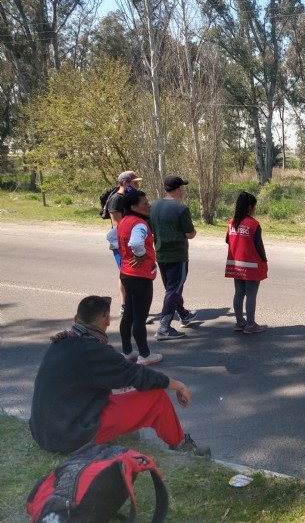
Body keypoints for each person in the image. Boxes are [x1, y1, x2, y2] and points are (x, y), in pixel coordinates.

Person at [29, 295, 209, 456]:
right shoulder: (94, 351)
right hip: (70, 437)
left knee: (118, 392)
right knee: (156, 397)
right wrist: (178, 385)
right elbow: (139, 376)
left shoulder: (61, 342)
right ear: (106, 320)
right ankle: (182, 446)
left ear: (76, 319)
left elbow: (121, 378)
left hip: (43, 431)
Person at [115, 189, 162, 365]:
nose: (149, 205)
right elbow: (135, 242)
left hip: (126, 273)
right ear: (134, 206)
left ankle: (127, 351)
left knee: (128, 314)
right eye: (145, 203)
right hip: (140, 276)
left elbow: (111, 237)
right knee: (140, 318)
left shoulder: (124, 221)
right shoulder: (140, 224)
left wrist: (128, 254)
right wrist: (140, 254)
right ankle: (144, 354)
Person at [149, 175, 197, 340]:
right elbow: (190, 234)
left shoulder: (153, 206)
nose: (183, 189)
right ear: (178, 189)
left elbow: (150, 229)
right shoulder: (181, 209)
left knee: (173, 289)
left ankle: (184, 314)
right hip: (177, 255)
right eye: (182, 187)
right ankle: (164, 328)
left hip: (161, 253)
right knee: (173, 290)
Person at [225, 191, 268, 334]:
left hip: (235, 265)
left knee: (238, 293)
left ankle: (239, 322)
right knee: (251, 295)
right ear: (250, 207)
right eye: (254, 206)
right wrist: (264, 260)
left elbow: (228, 240)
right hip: (251, 265)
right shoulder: (253, 224)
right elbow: (259, 246)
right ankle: (250, 324)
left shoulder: (231, 223)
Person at [106, 171, 143, 316]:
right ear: (124, 183)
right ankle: (125, 306)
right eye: (134, 182)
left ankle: (130, 306)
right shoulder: (116, 199)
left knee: (130, 274)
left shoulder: (129, 198)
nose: (137, 185)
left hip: (131, 241)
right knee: (126, 274)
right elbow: (117, 224)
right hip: (121, 243)